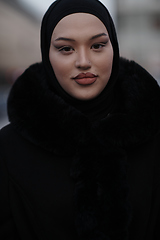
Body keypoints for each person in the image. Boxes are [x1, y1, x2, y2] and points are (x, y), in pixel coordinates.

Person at [0, 0, 160, 239]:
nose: (83, 61)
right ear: (47, 54)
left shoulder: (154, 136)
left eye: (97, 45)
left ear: (113, 48)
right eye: (66, 48)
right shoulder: (8, 148)